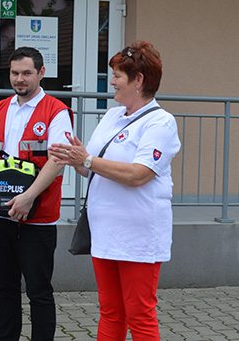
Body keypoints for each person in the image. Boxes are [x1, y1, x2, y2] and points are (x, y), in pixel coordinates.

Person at [49, 40, 181, 341]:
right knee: (110, 311)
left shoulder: (161, 122)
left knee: (139, 314)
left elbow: (138, 175)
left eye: (118, 75)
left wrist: (88, 160)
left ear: (139, 80)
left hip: (138, 234)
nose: (112, 82)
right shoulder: (112, 116)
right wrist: (76, 160)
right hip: (105, 230)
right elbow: (92, 168)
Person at [0, 46, 74, 341]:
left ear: (41, 73)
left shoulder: (56, 111)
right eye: (14, 73)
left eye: (26, 73)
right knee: (4, 287)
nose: (19, 79)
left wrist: (29, 196)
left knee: (39, 291)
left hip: (38, 217)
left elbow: (57, 160)